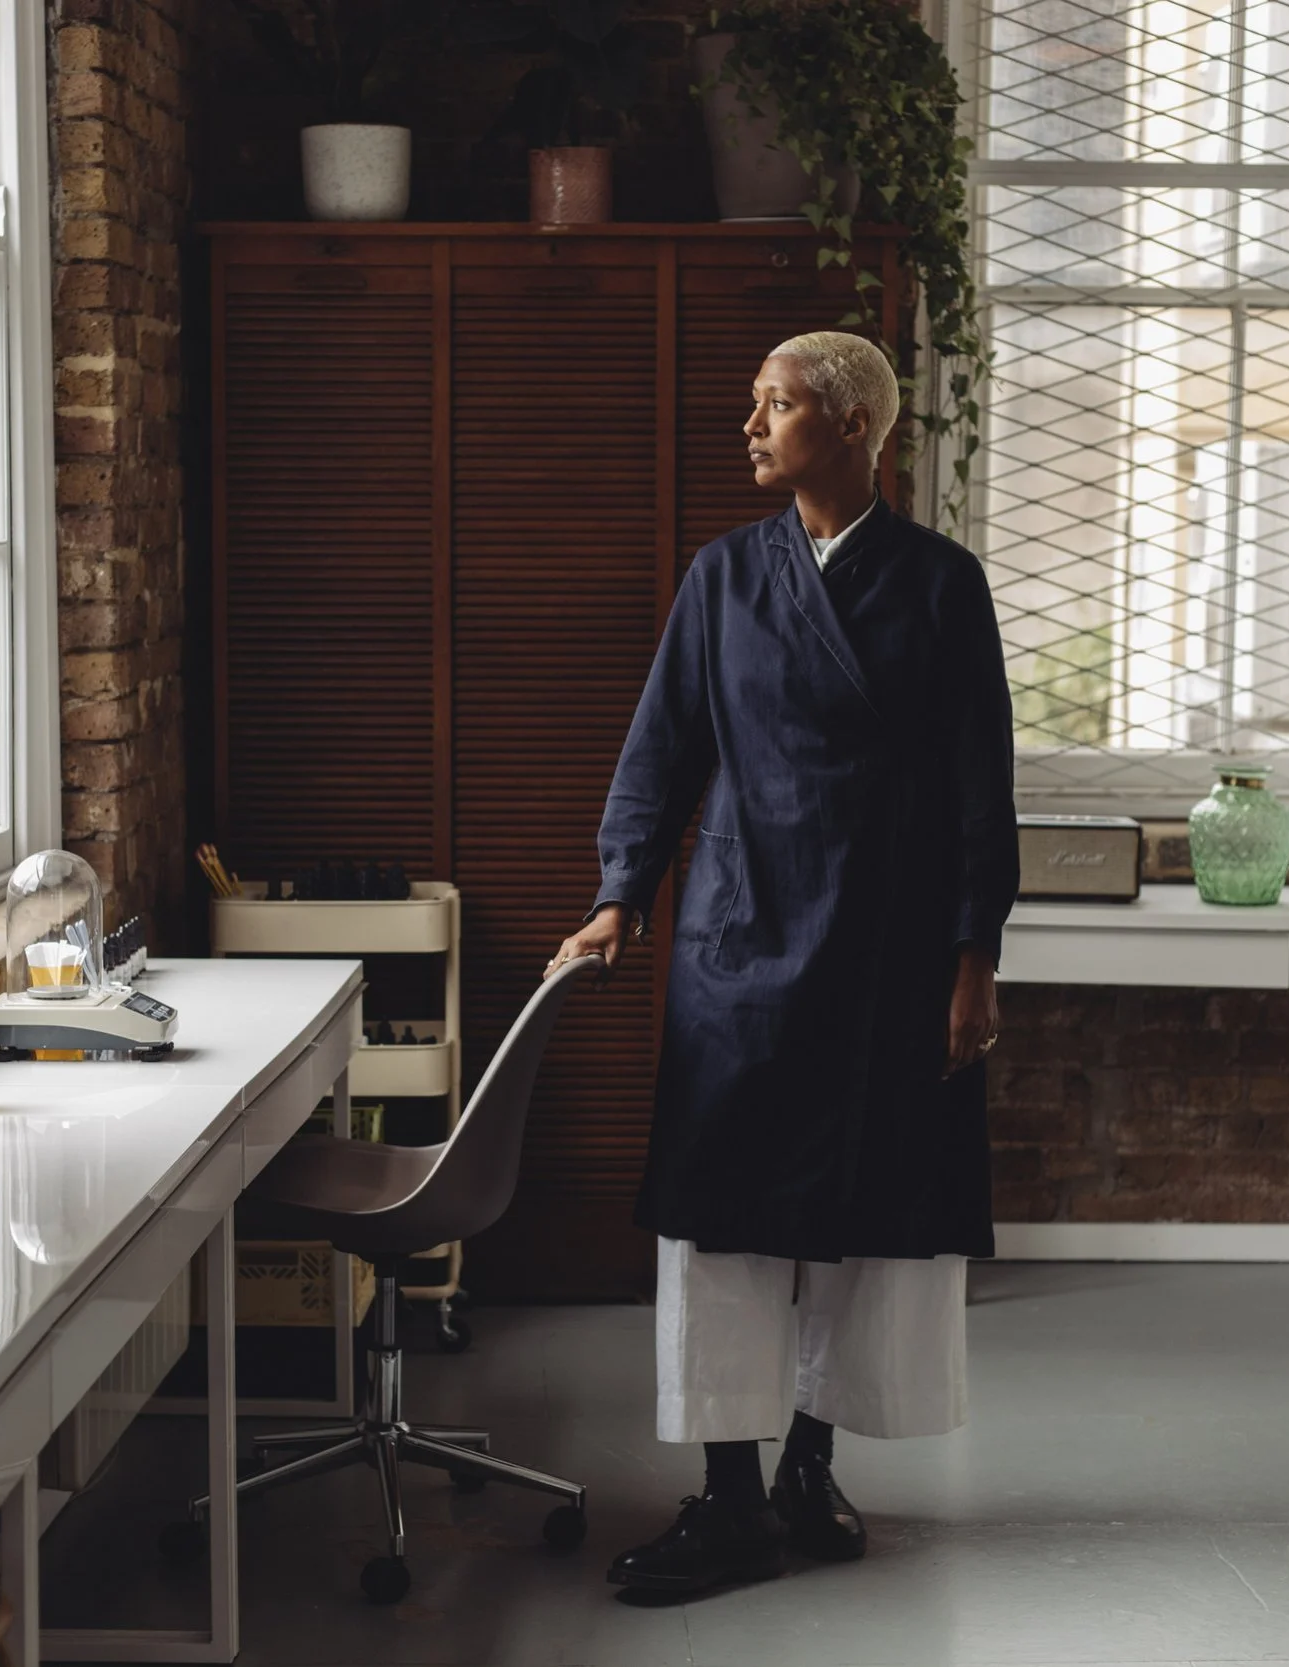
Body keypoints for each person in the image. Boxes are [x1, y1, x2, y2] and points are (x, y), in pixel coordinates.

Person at [547, 331, 1018, 1595]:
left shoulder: (939, 584)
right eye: (750, 403)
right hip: (740, 931)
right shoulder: (721, 578)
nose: (749, 426)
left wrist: (974, 958)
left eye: (777, 405)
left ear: (856, 426)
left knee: (865, 1215)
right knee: (721, 1219)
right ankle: (729, 1494)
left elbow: (983, 784)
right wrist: (618, 894)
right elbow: (664, 745)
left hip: (893, 941)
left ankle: (811, 1461)